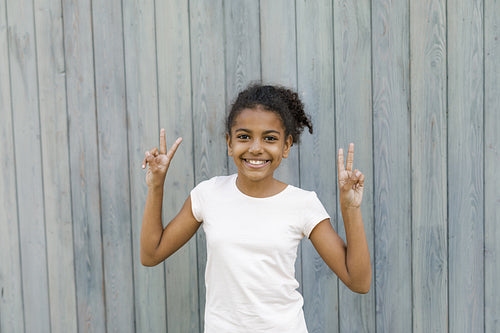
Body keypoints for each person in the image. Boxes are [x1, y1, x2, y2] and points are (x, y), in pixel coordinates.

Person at [140, 84, 371, 333]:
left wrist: (350, 208)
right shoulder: (208, 195)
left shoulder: (302, 204)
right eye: (244, 136)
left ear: (286, 146)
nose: (256, 148)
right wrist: (156, 185)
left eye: (270, 138)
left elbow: (358, 282)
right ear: (229, 143)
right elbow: (151, 254)